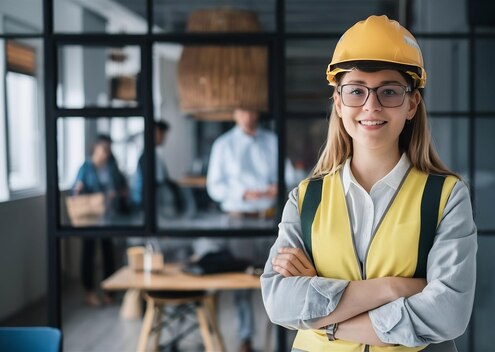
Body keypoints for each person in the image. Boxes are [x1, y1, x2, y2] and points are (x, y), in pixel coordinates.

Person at [261, 15, 477, 352]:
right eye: (356, 91)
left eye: (389, 91)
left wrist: (327, 322)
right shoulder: (305, 199)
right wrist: (392, 289)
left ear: (411, 103)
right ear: (338, 101)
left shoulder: (446, 197)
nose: (371, 105)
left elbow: (448, 314)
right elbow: (278, 302)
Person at [204, 108, 291, 352]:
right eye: (243, 112)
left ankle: (278, 340)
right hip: (238, 220)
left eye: (252, 111)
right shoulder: (224, 145)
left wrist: (277, 186)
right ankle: (246, 338)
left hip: (269, 219)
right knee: (242, 280)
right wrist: (242, 194)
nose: (249, 117)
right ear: (234, 114)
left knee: (277, 278)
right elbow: (214, 187)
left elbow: (289, 172)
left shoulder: (272, 140)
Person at [73, 134, 129, 306]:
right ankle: (89, 291)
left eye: (108, 149)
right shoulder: (86, 168)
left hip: (109, 216)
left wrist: (116, 194)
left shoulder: (112, 166)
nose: (106, 152)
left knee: (108, 253)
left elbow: (123, 187)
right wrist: (79, 190)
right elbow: (76, 191)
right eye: (104, 149)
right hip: (91, 218)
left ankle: (109, 291)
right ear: (95, 148)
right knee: (88, 254)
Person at [131, 120, 186, 216]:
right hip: (152, 203)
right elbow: (152, 183)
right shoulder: (146, 157)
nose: (164, 138)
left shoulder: (155, 155)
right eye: (162, 134)